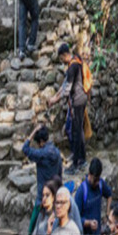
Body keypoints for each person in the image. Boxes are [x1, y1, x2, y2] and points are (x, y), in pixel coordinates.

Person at [48, 43, 88, 173]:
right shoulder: (76, 61)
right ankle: (82, 158)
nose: (62, 61)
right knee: (79, 130)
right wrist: (55, 97)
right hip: (81, 99)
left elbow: (67, 89)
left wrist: (55, 100)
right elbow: (65, 84)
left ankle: (75, 164)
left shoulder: (72, 67)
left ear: (65, 55)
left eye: (61, 58)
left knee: (76, 132)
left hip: (77, 101)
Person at [22, 124, 62, 235]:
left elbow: (25, 149)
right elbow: (59, 174)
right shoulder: (57, 152)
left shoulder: (41, 154)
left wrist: (34, 131)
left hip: (42, 197)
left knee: (33, 228)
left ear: (40, 142)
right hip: (54, 195)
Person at [74, 157, 113, 235]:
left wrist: (107, 213)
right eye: (95, 180)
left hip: (97, 234)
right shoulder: (81, 191)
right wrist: (88, 223)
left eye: (98, 179)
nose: (97, 182)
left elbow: (109, 195)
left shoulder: (101, 184)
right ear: (90, 174)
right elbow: (75, 218)